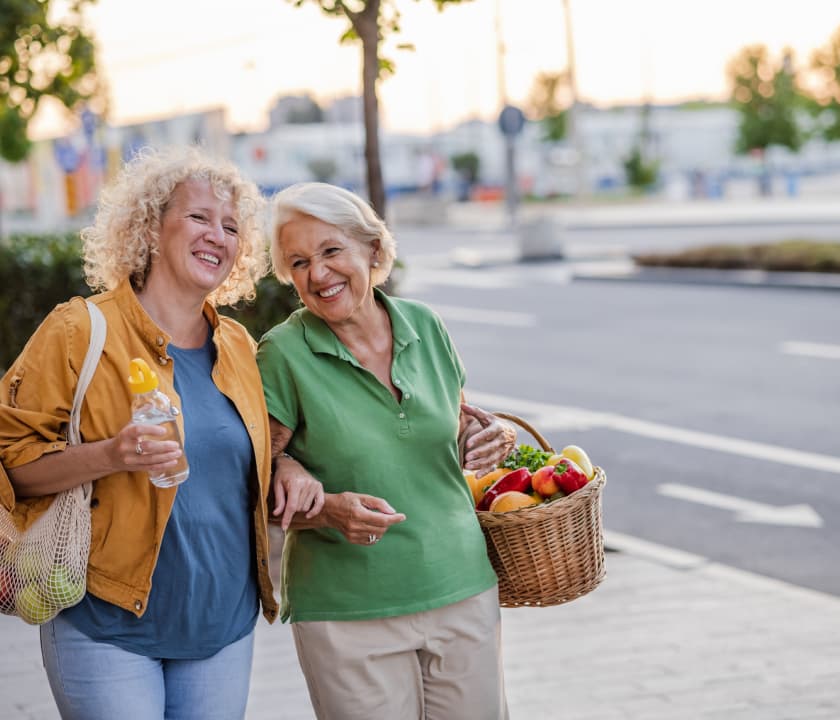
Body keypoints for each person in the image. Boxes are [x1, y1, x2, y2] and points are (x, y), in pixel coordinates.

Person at [0, 147, 322, 720]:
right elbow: (12, 463)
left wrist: (289, 467)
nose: (217, 236)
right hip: (106, 622)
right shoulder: (80, 330)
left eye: (230, 227)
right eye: (198, 217)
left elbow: (258, 456)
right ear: (150, 227)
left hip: (221, 625)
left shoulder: (242, 349)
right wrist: (110, 453)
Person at [257, 181, 517, 720]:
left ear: (372, 251)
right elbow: (253, 481)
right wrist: (323, 506)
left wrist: (492, 439)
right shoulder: (283, 353)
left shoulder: (425, 324)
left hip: (461, 585)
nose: (318, 274)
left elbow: (458, 423)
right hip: (349, 611)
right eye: (299, 262)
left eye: (332, 251)